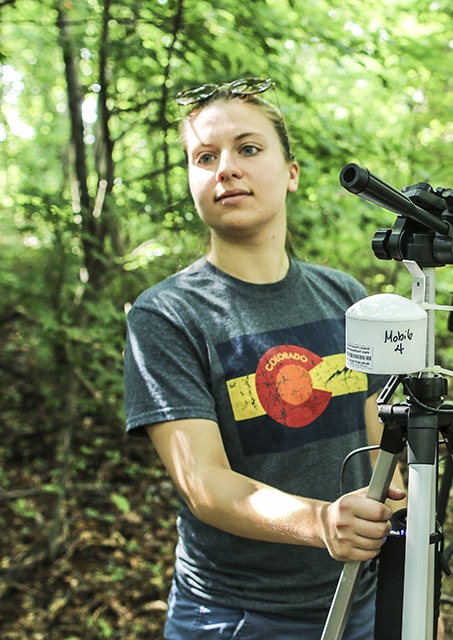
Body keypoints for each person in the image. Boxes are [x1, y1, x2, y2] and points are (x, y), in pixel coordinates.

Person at [123, 77, 407, 639]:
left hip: (365, 599)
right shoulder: (167, 315)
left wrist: (413, 591)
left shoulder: (346, 296)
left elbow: (385, 442)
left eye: (248, 149)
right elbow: (202, 481)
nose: (225, 168)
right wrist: (320, 521)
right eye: (204, 157)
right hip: (238, 617)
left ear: (291, 173)